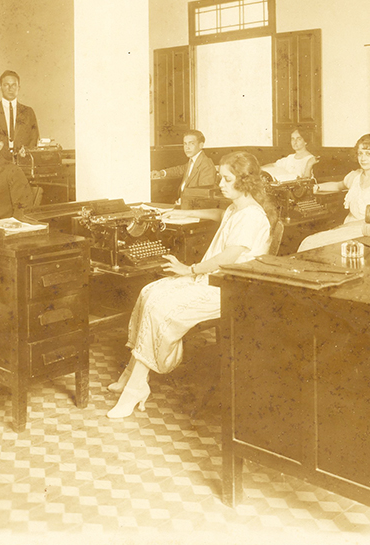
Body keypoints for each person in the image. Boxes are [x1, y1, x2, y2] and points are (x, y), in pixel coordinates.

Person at [108, 152, 275, 419]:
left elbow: (228, 257)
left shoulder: (253, 217)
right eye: (221, 177)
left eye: (227, 179)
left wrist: (190, 270)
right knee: (149, 292)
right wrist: (182, 212)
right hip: (211, 281)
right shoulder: (237, 208)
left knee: (160, 308)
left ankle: (136, 388)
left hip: (229, 289)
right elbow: (220, 214)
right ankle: (131, 374)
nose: (220, 184)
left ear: (245, 181)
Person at [297, 134, 370, 252]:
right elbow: (338, 185)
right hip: (347, 229)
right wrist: (315, 187)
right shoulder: (355, 176)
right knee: (308, 242)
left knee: (313, 244)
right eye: (360, 153)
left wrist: (345, 227)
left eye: (368, 154)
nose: (363, 158)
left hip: (369, 232)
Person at [150, 130, 217, 209]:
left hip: (193, 209)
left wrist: (184, 202)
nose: (187, 147)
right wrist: (161, 173)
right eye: (185, 143)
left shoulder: (206, 165)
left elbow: (204, 196)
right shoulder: (193, 160)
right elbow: (179, 170)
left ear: (201, 145)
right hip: (183, 204)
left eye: (191, 143)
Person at [0, 70, 40, 160]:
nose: (10, 89)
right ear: (0, 87)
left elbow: (34, 138)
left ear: (18, 87)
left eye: (14, 85)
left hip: (23, 161)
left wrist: (26, 151)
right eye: (6, 85)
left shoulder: (28, 112)